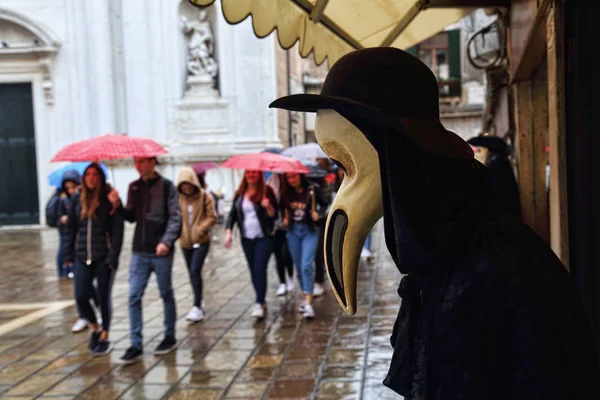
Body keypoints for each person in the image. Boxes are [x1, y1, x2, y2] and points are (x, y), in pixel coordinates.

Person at [270, 47, 600, 399]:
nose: (345, 191)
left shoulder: (496, 263)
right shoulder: (444, 252)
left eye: (349, 163)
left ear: (397, 155)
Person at [108, 157, 182, 365]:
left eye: (142, 162)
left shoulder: (167, 187)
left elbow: (175, 218)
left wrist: (166, 241)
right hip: (139, 251)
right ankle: (135, 343)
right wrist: (118, 205)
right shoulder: (134, 187)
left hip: (161, 251)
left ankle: (169, 334)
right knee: (133, 295)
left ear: (152, 162)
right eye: (136, 163)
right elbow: (131, 217)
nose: (138, 166)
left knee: (165, 292)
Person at [63, 163, 124, 356]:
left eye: (95, 174)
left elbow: (117, 230)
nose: (92, 178)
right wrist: (67, 253)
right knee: (81, 297)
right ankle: (95, 327)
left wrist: (113, 255)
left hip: (103, 257)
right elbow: (71, 228)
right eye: (88, 174)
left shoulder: (109, 198)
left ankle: (105, 334)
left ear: (101, 177)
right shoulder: (76, 200)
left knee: (104, 296)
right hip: (82, 256)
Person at [224, 170, 277, 319]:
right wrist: (228, 232)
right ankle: (261, 297)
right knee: (253, 270)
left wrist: (267, 206)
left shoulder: (267, 191)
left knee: (260, 268)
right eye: (249, 173)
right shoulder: (240, 193)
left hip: (264, 237)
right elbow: (232, 215)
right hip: (246, 238)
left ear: (259, 175)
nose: (251, 176)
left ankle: (259, 302)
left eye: (254, 173)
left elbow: (275, 214)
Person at [280, 172, 327, 319]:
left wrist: (317, 214)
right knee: (299, 267)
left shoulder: (312, 189)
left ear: (300, 176)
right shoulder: (286, 192)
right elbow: (281, 209)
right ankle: (306, 293)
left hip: (310, 230)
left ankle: (308, 304)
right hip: (293, 231)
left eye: (294, 176)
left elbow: (325, 204)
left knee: (306, 264)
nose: (292, 179)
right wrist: (285, 218)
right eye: (289, 177)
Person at [177, 167, 217, 323]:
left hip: (201, 240)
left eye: (188, 184)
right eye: (183, 185)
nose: (186, 188)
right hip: (185, 241)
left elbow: (212, 216)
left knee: (195, 270)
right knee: (191, 273)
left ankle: (197, 305)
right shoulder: (178, 198)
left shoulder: (204, 196)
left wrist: (200, 229)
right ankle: (199, 298)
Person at [467, 135, 522, 219]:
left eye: (479, 151)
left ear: (490, 152)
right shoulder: (495, 166)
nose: (475, 155)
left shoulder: (497, 169)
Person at [266, 173, 295, 296]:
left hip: (286, 225)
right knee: (277, 255)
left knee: (286, 254)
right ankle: (282, 282)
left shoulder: (287, 184)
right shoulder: (269, 183)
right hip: (274, 227)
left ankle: (290, 276)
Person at [310, 158, 335, 297]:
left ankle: (319, 280)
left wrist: (318, 215)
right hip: (310, 224)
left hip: (322, 221)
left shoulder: (326, 183)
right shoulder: (309, 183)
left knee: (320, 251)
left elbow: (326, 202)